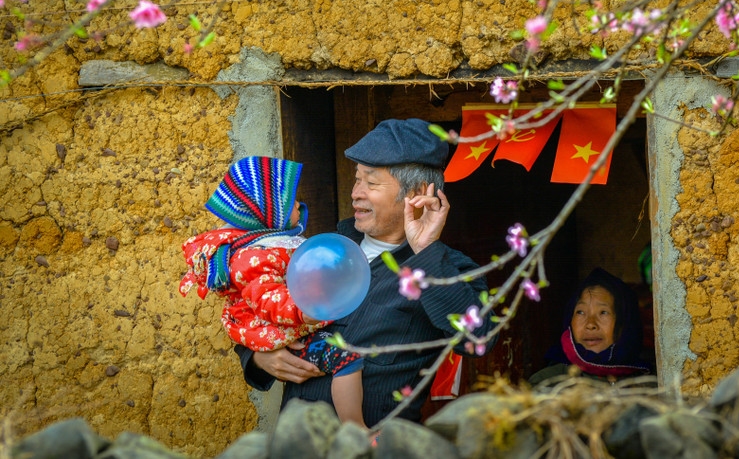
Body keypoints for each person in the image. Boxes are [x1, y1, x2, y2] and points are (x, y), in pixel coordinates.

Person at [234, 118, 497, 427]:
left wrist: (426, 251)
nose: (356, 193)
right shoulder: (317, 251)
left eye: (371, 183)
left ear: (417, 193)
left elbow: (476, 340)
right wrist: (259, 357)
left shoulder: (448, 270)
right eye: (357, 180)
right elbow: (252, 307)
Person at [179, 156, 366, 427]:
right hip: (284, 328)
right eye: (291, 203)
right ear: (268, 211)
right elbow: (268, 298)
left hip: (293, 327)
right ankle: (357, 428)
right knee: (346, 360)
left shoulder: (273, 245)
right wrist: (304, 311)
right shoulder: (256, 256)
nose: (300, 206)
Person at [528, 267, 652, 387]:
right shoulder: (547, 385)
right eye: (581, 312)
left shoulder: (653, 385)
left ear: (625, 324)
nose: (591, 324)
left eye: (603, 312)